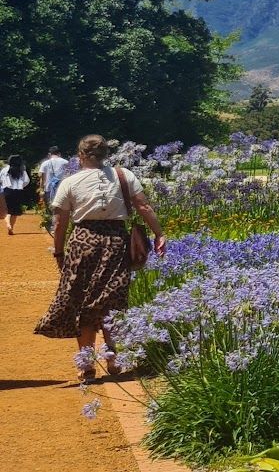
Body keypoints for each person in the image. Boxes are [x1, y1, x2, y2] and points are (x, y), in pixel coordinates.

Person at [35, 135, 166, 383]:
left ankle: (86, 365)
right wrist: (159, 234)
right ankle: (113, 359)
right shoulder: (123, 175)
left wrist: (59, 252)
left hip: (83, 243)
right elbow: (144, 207)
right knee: (112, 302)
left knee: (82, 301)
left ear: (80, 156)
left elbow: (61, 222)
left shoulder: (70, 182)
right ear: (106, 154)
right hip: (116, 242)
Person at [36, 147, 67, 234]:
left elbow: (42, 177)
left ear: (49, 154)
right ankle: (60, 225)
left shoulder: (45, 163)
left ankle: (52, 227)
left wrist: (41, 189)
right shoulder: (65, 162)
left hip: (48, 189)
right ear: (59, 153)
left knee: (50, 208)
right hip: (63, 189)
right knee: (62, 208)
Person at [1, 155, 31, 235]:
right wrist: (21, 186)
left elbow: (1, 179)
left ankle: (8, 224)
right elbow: (26, 181)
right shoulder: (22, 170)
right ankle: (12, 227)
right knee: (15, 212)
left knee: (6, 211)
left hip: (7, 191)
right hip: (18, 192)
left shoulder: (4, 170)